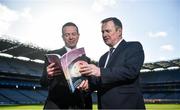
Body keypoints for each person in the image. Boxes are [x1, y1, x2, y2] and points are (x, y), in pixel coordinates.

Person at [79, 17, 145, 109]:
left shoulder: (133, 47)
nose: (104, 34)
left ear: (119, 31)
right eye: (102, 32)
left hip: (126, 106)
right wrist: (88, 85)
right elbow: (100, 81)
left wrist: (100, 71)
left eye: (108, 31)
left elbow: (131, 71)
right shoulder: (103, 57)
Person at [40, 22, 92, 109]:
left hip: (77, 106)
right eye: (67, 35)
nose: (71, 37)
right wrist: (48, 75)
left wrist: (87, 87)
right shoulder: (52, 55)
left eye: (73, 34)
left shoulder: (87, 59)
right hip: (55, 106)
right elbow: (43, 83)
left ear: (78, 35)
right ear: (63, 37)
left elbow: (88, 90)